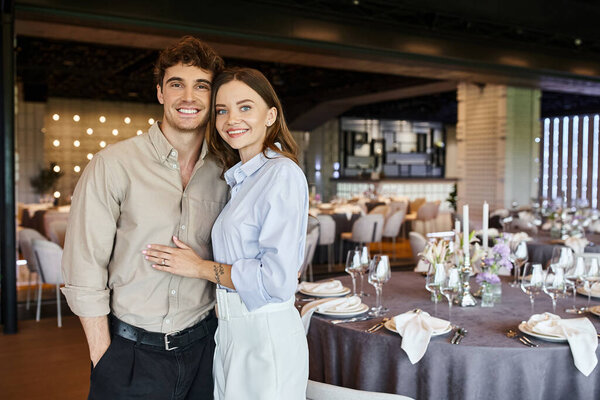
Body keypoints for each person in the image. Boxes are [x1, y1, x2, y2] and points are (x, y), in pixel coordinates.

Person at [61, 36, 229, 400]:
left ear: (213, 98)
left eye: (201, 86)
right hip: (129, 355)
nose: (189, 97)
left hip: (206, 349)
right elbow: (83, 267)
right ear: (160, 93)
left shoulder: (225, 171)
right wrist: (103, 355)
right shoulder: (114, 165)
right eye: (176, 85)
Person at [144, 67, 309, 400]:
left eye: (245, 107)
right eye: (222, 110)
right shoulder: (241, 178)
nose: (232, 118)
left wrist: (198, 267)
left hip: (265, 337)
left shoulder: (282, 174)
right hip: (234, 332)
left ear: (270, 115)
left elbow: (277, 280)